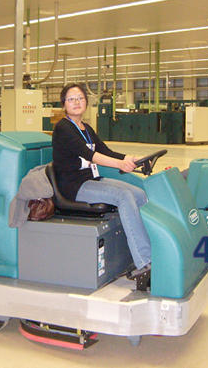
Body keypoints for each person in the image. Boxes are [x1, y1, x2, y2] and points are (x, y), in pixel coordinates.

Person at [52, 83, 151, 275]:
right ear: (64, 104)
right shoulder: (63, 128)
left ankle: (147, 247)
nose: (76, 102)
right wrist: (120, 164)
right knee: (123, 196)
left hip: (92, 180)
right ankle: (145, 261)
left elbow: (106, 151)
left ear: (86, 102)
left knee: (139, 194)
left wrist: (131, 159)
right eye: (71, 99)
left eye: (80, 98)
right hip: (74, 187)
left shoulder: (86, 129)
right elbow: (91, 155)